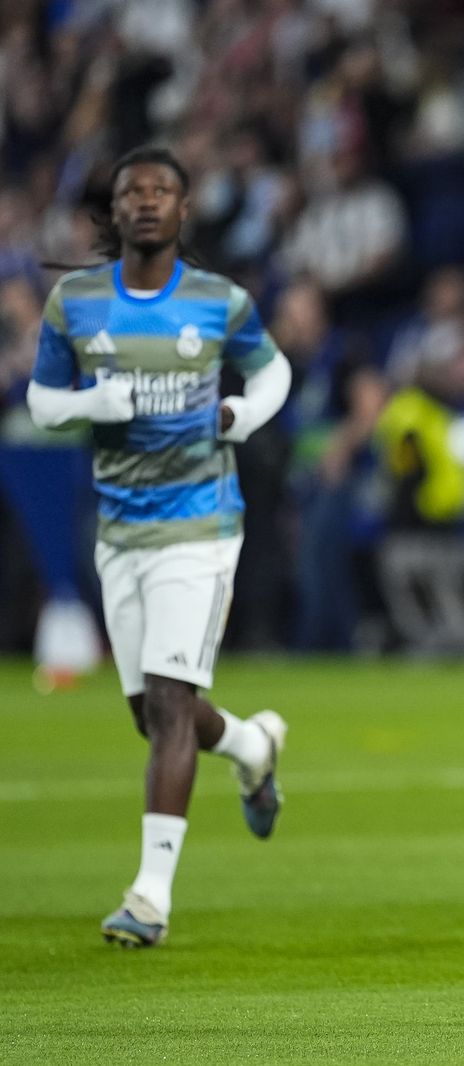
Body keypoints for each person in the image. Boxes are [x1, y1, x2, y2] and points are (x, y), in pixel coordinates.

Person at [26, 146, 293, 948]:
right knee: (151, 713)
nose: (145, 201)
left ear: (184, 212)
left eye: (162, 190)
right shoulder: (75, 302)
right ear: (113, 214)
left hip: (201, 524)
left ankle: (148, 899)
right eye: (130, 191)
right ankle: (253, 745)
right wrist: (88, 402)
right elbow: (40, 401)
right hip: (121, 528)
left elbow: (274, 373)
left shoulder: (219, 302)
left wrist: (240, 417)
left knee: (172, 703)